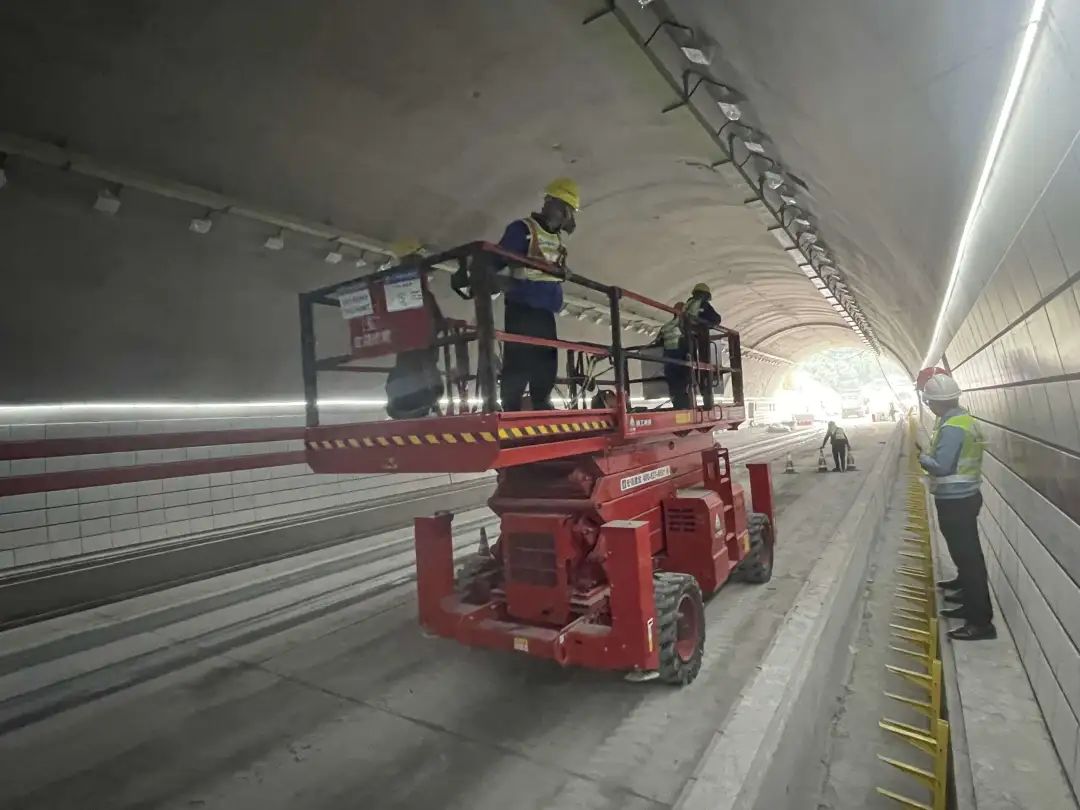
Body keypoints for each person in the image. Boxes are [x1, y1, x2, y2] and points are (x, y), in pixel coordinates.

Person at [918, 373, 995, 641]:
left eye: (928, 402)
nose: (928, 406)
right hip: (965, 497)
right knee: (966, 556)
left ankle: (980, 622)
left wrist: (923, 458)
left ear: (934, 402)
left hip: (957, 501)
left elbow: (942, 466)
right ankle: (966, 594)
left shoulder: (951, 427)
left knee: (968, 559)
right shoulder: (960, 419)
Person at [491, 178, 579, 411]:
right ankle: (511, 407)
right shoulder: (522, 230)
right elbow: (497, 259)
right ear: (553, 205)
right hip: (522, 306)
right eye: (567, 210)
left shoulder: (555, 239)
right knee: (518, 360)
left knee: (546, 362)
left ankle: (541, 402)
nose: (568, 217)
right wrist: (489, 279)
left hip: (546, 309)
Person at [657, 283, 722, 409]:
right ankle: (705, 403)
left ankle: (681, 406)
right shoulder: (701, 304)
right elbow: (716, 320)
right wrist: (703, 325)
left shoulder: (671, 324)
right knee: (698, 374)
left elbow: (659, 340)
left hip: (670, 359)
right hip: (687, 349)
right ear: (706, 295)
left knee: (677, 382)